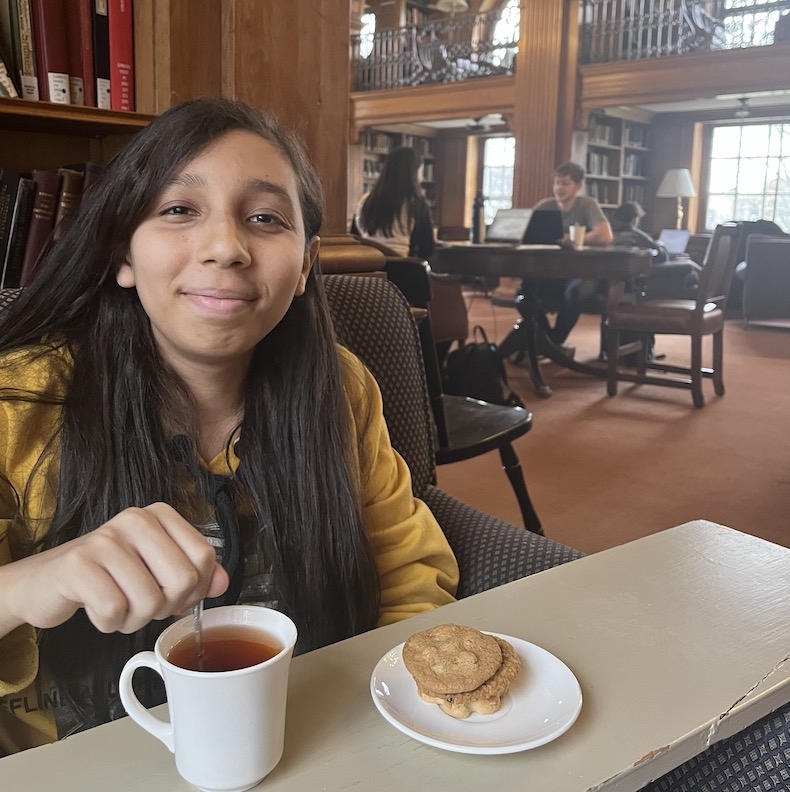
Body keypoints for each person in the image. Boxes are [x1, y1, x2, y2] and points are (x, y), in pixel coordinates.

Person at [0, 98, 458, 754]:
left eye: (266, 218)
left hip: (310, 742)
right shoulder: (19, 401)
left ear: (304, 266)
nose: (225, 247)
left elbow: (409, 569)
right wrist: (30, 582)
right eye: (180, 210)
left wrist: (383, 726)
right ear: (120, 254)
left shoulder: (340, 387)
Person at [504, 162, 613, 359]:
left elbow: (605, 235)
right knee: (524, 293)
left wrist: (576, 240)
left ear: (578, 186)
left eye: (565, 184)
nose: (559, 188)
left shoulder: (587, 205)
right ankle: (547, 341)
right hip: (550, 270)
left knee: (577, 293)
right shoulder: (545, 206)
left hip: (582, 272)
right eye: (556, 183)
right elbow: (524, 232)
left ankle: (552, 342)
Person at [350, 146, 435, 259]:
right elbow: (427, 248)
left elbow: (354, 238)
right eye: (420, 171)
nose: (422, 178)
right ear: (414, 172)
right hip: (402, 268)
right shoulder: (417, 204)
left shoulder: (365, 201)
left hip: (368, 266)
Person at [610, 201, 700, 300]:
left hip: (629, 283)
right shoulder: (636, 234)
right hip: (651, 281)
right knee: (692, 272)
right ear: (634, 219)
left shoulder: (610, 234)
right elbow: (662, 256)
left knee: (692, 275)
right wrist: (660, 244)